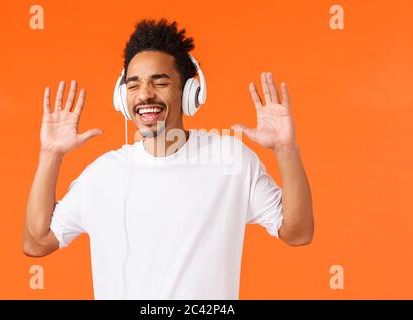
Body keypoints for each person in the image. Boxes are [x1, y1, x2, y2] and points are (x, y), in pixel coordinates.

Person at [23, 18, 314, 299]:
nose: (145, 94)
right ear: (121, 97)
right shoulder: (102, 175)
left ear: (190, 92)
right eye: (134, 84)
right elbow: (37, 242)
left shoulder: (230, 161)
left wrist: (285, 150)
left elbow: (298, 232)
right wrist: (50, 155)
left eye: (159, 82)